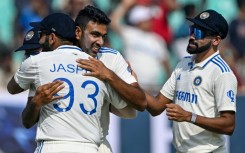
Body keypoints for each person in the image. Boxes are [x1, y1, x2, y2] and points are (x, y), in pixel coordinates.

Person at [7, 13, 130, 153]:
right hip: (90, 147)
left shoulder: (39, 62)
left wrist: (36, 101)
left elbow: (12, 89)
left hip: (53, 146)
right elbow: (124, 107)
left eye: (43, 35)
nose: (41, 40)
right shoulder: (99, 67)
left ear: (52, 38)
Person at [146, 10, 237, 153]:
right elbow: (156, 106)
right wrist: (128, 82)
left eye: (199, 33)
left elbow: (229, 125)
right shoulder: (184, 63)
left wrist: (190, 117)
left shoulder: (221, 73)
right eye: (192, 29)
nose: (192, 36)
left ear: (216, 40)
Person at [74, 5, 147, 153]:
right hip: (64, 142)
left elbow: (140, 102)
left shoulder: (111, 57)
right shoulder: (59, 56)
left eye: (103, 36)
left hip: (98, 143)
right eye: (95, 35)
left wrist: (108, 75)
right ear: (78, 32)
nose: (100, 42)